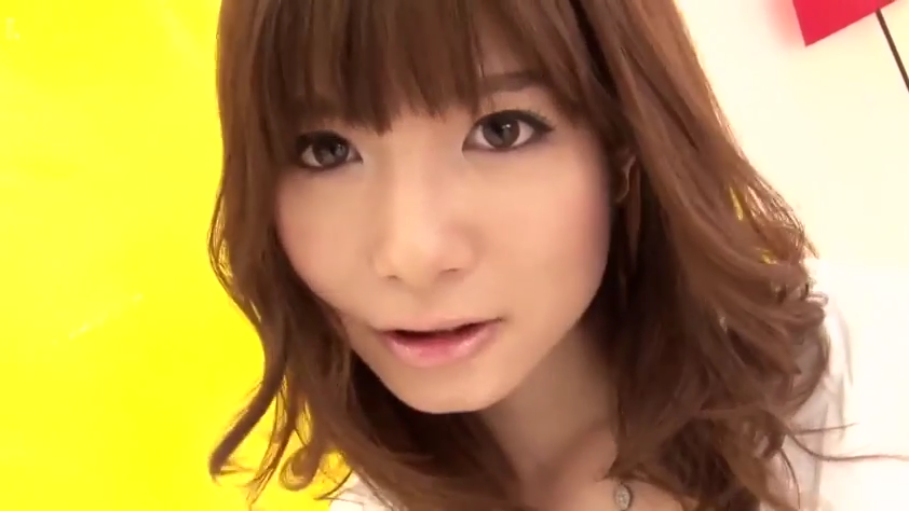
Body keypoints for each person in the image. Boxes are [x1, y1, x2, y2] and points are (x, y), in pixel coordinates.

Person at [206, 1, 909, 510]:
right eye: (326, 149)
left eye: (501, 131)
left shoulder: (874, 392)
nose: (411, 252)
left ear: (622, 144)